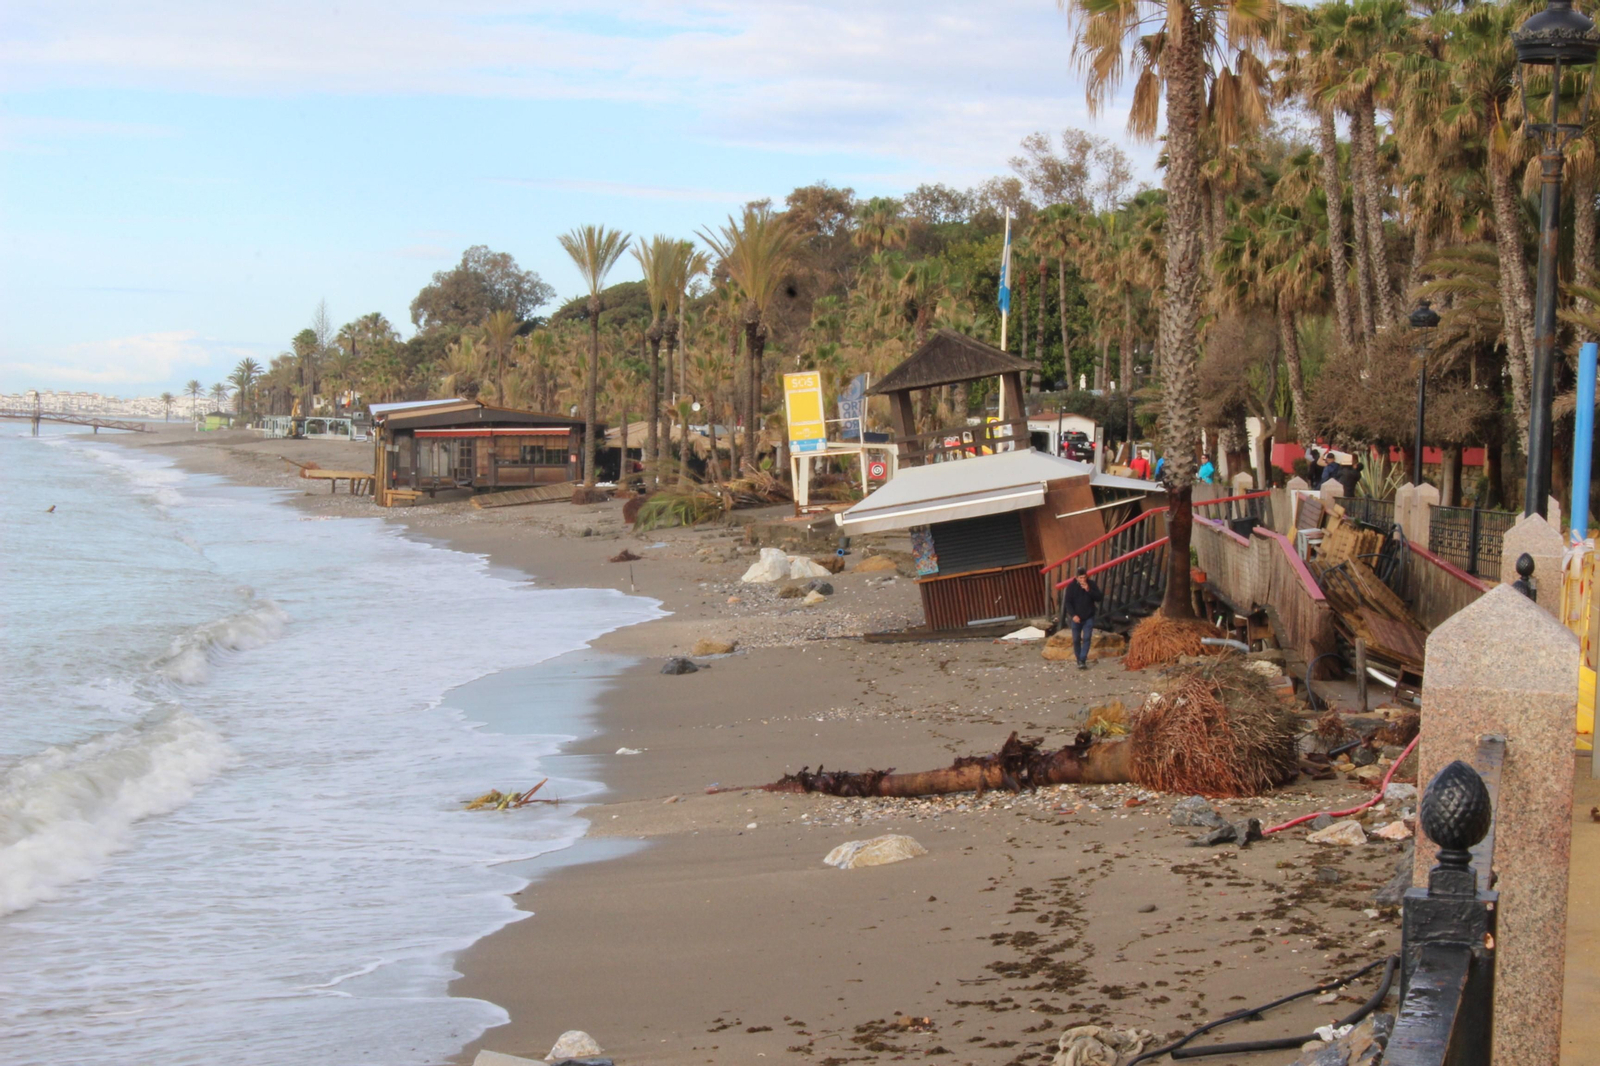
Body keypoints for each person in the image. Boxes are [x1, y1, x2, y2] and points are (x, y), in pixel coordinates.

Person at [1062, 566, 1104, 671]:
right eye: (1080, 578)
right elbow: (1068, 602)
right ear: (1076, 578)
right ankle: (1078, 659)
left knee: (1087, 638)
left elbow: (1099, 597)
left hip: (1089, 616)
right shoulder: (1071, 587)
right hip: (1076, 618)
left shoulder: (1091, 584)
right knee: (1076, 639)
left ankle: (1082, 659)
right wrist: (1073, 615)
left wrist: (1088, 590)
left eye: (1084, 577)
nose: (1082, 580)